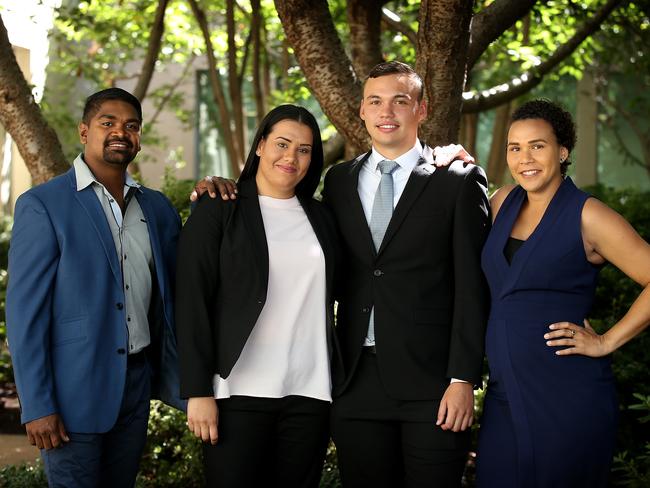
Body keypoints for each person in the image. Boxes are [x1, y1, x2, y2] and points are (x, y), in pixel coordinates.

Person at [195, 61, 491, 487]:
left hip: (432, 385)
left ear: (421, 110)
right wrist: (218, 184)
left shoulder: (458, 180)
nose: (386, 111)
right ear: (362, 112)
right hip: (353, 382)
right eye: (375, 101)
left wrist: (462, 378)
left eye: (400, 101)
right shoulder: (338, 182)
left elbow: (471, 287)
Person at [5, 88, 184, 487]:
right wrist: (36, 404)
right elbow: (23, 315)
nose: (121, 132)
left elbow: (182, 286)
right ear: (85, 132)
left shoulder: (156, 209)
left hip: (136, 387)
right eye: (109, 123)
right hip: (71, 394)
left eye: (131, 126)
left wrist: (214, 193)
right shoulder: (44, 205)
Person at [475, 99, 650, 487]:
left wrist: (606, 341)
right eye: (515, 148)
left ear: (563, 151)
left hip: (566, 397)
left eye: (538, 145)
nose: (525, 158)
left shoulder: (589, 215)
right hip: (505, 395)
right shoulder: (502, 202)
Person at [175, 104, 341, 487]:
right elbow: (192, 301)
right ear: (261, 145)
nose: (291, 157)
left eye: (304, 150)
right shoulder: (219, 209)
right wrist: (198, 390)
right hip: (237, 394)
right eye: (282, 144)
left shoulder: (322, 218)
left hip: (309, 394)